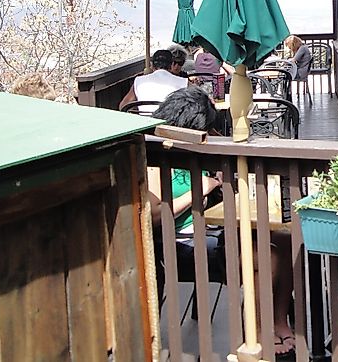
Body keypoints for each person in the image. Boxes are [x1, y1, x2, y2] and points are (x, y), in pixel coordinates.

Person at [147, 86, 296, 357]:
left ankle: (279, 321)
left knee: (285, 239)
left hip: (215, 227)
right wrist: (200, 188)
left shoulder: (198, 144)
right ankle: (257, 333)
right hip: (182, 242)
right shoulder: (157, 157)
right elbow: (154, 215)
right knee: (266, 258)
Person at [119, 49, 187, 113]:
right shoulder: (184, 82)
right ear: (172, 65)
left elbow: (123, 106)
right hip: (171, 123)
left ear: (151, 65)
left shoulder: (139, 81)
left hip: (147, 122)